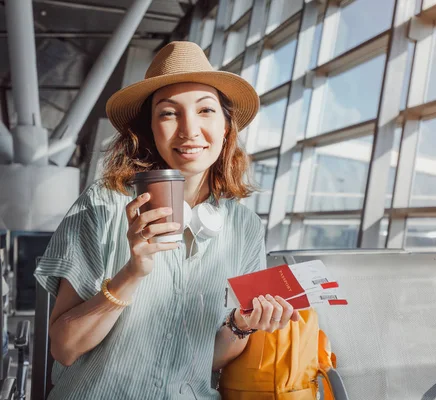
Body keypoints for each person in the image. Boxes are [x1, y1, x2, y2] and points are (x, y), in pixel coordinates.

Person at [34, 41, 299, 399]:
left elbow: (205, 360)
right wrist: (133, 272)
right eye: (169, 113)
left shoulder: (245, 227)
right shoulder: (103, 205)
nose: (189, 130)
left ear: (225, 127)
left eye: (205, 111)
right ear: (150, 128)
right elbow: (64, 349)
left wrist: (241, 326)